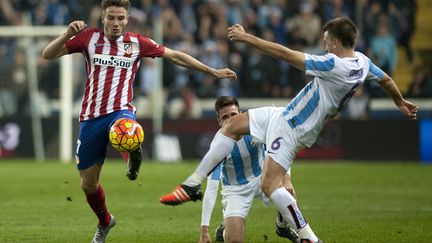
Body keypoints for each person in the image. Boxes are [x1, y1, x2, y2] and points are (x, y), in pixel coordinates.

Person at [160, 17, 418, 243]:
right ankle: (193, 184)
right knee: (231, 125)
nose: (325, 45)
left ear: (337, 43)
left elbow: (285, 54)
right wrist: (399, 101)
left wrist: (247, 38)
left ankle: (308, 237)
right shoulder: (362, 63)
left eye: (327, 41)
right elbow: (385, 78)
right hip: (283, 115)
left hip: (293, 126)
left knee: (270, 185)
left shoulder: (332, 64)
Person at [42, 1, 236, 242]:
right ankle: (105, 221)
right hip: (91, 117)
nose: (115, 23)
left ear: (127, 18)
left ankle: (132, 154)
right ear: (102, 17)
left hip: (120, 111)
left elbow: (175, 55)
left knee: (125, 130)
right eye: (111, 17)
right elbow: (47, 54)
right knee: (87, 185)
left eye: (120, 18)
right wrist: (67, 34)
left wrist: (212, 71)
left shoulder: (137, 42)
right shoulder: (88, 39)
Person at [197, 96, 298, 243]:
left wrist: (287, 179)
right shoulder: (217, 147)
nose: (230, 120)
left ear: (241, 113)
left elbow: (281, 149)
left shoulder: (255, 128)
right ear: (219, 122)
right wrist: (204, 230)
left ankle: (282, 227)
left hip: (263, 177)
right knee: (235, 240)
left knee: (289, 192)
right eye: (225, 117)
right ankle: (226, 230)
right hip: (236, 190)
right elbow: (211, 188)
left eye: (233, 115)